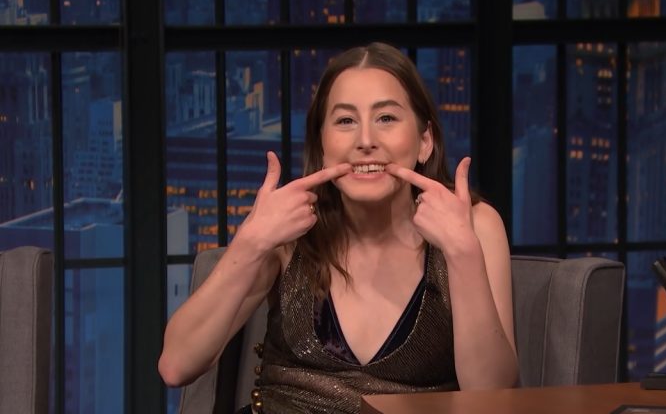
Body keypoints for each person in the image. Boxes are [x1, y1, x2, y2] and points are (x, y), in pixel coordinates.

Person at [158, 42, 519, 414]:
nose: (366, 141)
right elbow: (176, 365)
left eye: (386, 118)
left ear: (424, 141)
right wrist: (251, 242)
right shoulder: (289, 230)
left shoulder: (475, 225)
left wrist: (462, 253)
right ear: (322, 144)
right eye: (346, 121)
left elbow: (492, 397)